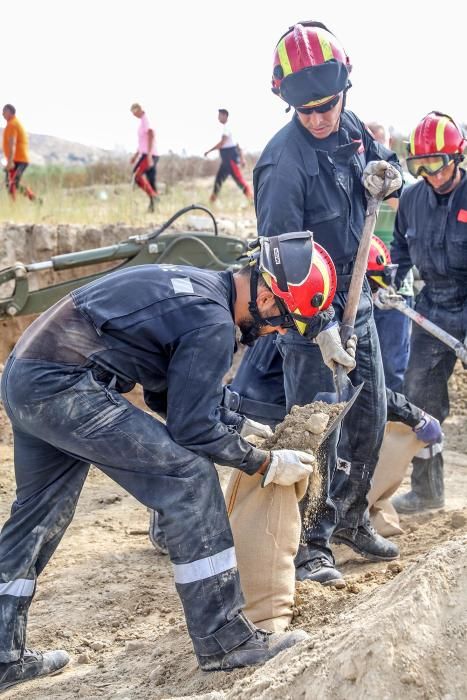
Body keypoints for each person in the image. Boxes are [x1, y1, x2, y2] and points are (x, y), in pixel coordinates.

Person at [0, 230, 346, 691]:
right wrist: (262, 463)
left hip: (26, 377)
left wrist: (237, 423)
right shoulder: (214, 322)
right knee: (188, 480)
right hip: (65, 386)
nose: (279, 331)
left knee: (37, 516)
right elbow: (191, 428)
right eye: (283, 320)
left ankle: (3, 654)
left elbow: (169, 394)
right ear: (266, 294)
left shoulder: (198, 292)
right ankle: (225, 641)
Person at [228, 20, 403, 587]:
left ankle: (353, 519)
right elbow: (282, 263)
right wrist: (322, 327)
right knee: (317, 431)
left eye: (327, 105)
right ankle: (310, 546)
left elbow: (381, 172)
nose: (320, 117)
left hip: (362, 307)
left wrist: (389, 175)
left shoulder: (351, 131)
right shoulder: (283, 165)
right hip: (310, 323)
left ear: (343, 91)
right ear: (288, 103)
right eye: (306, 110)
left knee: (370, 418)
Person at [390, 111, 467, 514]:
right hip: (431, 309)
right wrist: (390, 278)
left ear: (458, 156)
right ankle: (427, 491)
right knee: (419, 398)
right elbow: (400, 248)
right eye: (420, 165)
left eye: (436, 163)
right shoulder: (412, 199)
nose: (429, 174)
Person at [365, 121, 414, 393]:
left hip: (396, 288)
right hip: (362, 290)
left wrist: (389, 187)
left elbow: (409, 213)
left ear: (389, 146)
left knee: (393, 366)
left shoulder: (409, 185)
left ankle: (394, 427)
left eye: (378, 143)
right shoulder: (354, 183)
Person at [204, 109, 252, 203]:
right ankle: (211, 203)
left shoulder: (227, 128)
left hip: (230, 160)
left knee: (239, 181)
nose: (218, 117)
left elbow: (223, 143)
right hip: (225, 162)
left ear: (225, 115)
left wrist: (209, 151)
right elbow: (237, 145)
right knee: (218, 181)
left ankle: (252, 200)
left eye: (220, 115)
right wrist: (242, 159)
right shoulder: (227, 128)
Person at [2, 104, 39, 203]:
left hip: (18, 160)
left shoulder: (12, 124)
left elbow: (12, 144)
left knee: (12, 183)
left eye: (4, 111)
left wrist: (10, 162)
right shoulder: (12, 123)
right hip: (16, 159)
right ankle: (35, 200)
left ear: (10, 112)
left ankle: (14, 206)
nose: (2, 114)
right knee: (12, 183)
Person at [130, 103, 159, 213]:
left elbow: (151, 134)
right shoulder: (142, 122)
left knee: (136, 175)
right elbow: (143, 141)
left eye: (134, 112)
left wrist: (149, 155)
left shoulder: (145, 120)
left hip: (149, 154)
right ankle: (153, 208)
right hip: (147, 153)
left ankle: (154, 196)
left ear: (139, 109)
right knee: (151, 181)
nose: (133, 115)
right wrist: (135, 155)